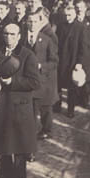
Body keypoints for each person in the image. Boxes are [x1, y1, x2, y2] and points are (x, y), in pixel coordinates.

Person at [0, 23, 40, 178]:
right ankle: (5, 175)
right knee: (4, 141)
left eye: (12, 34)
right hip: (3, 103)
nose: (8, 37)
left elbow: (34, 82)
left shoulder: (28, 55)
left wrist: (13, 83)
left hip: (19, 106)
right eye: (6, 34)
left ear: (19, 36)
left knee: (19, 145)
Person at [25, 12, 59, 140]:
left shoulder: (47, 40)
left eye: (35, 22)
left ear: (39, 23)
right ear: (26, 23)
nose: (32, 24)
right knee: (31, 108)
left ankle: (47, 130)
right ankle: (30, 132)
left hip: (43, 80)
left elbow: (54, 61)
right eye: (30, 22)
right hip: (28, 80)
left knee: (45, 107)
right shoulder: (22, 39)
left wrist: (41, 66)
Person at [56, 6, 90, 117]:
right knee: (58, 85)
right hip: (61, 59)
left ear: (75, 14)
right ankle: (57, 106)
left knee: (72, 87)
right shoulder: (61, 26)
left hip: (73, 60)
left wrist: (79, 62)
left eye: (69, 15)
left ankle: (70, 109)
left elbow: (83, 46)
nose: (67, 17)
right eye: (66, 15)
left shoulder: (80, 27)